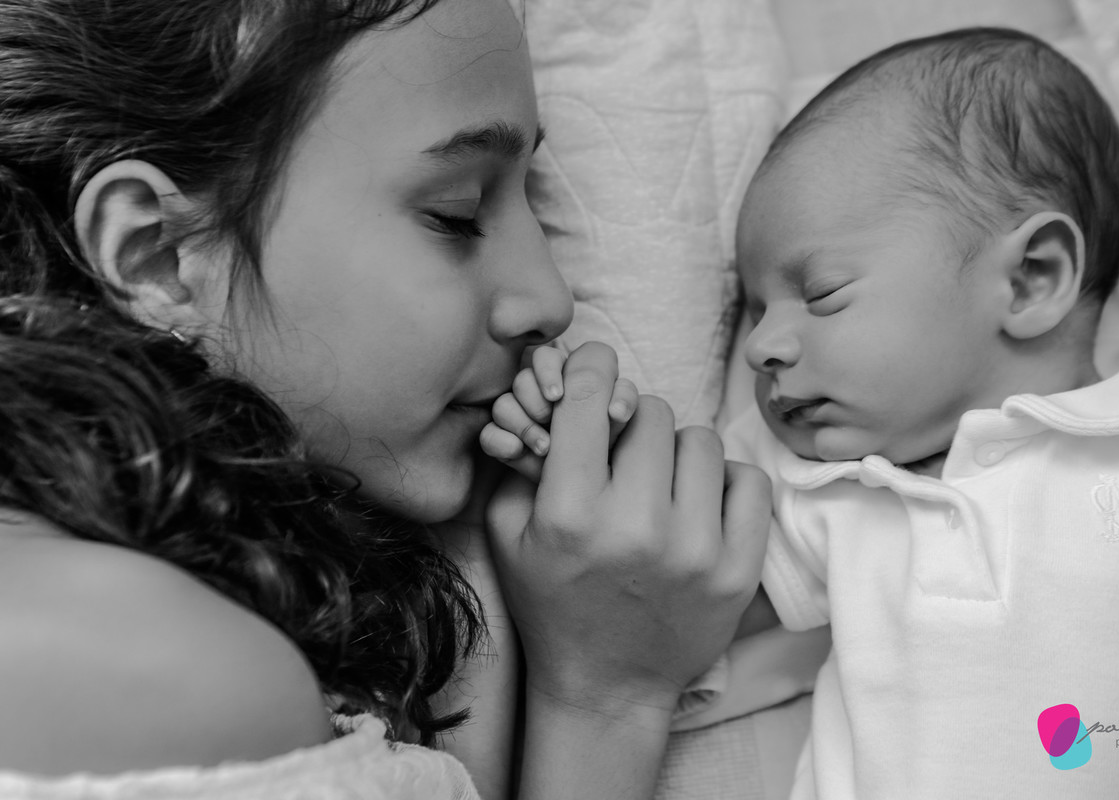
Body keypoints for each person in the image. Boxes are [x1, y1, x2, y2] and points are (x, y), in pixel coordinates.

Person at [0, 0, 770, 798]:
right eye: (456, 214)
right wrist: (609, 698)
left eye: (534, 201)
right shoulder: (174, 672)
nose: (549, 300)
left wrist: (471, 553)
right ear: (157, 254)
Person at [489, 26, 1119, 799]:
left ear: (1031, 278)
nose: (761, 346)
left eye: (821, 293)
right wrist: (576, 452)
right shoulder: (821, 489)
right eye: (754, 309)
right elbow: (663, 588)